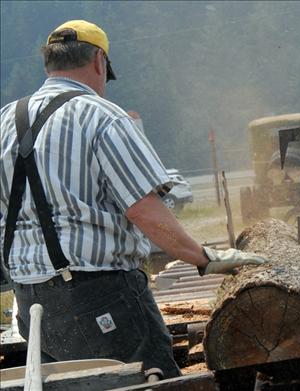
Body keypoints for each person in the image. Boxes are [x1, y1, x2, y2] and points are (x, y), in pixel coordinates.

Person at [0, 20, 265, 379]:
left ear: (49, 65)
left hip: (30, 300)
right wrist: (203, 258)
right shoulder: (102, 116)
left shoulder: (5, 122)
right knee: (151, 382)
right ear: (98, 61)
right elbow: (144, 211)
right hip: (99, 295)